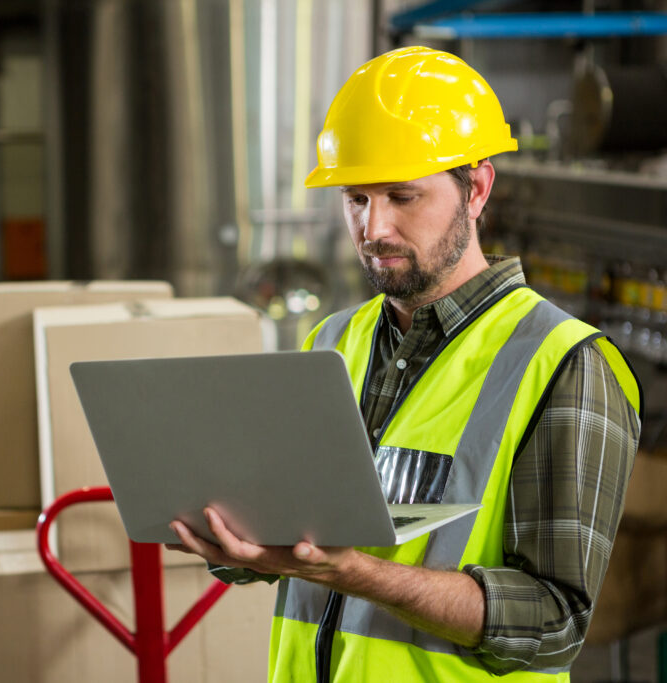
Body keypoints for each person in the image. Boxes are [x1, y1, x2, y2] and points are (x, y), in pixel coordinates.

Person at [165, 46, 642, 682]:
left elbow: (552, 624)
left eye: (401, 195)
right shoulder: (333, 341)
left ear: (477, 188)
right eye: (356, 198)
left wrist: (356, 573)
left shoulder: (564, 364)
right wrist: (239, 545)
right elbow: (300, 543)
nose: (374, 228)